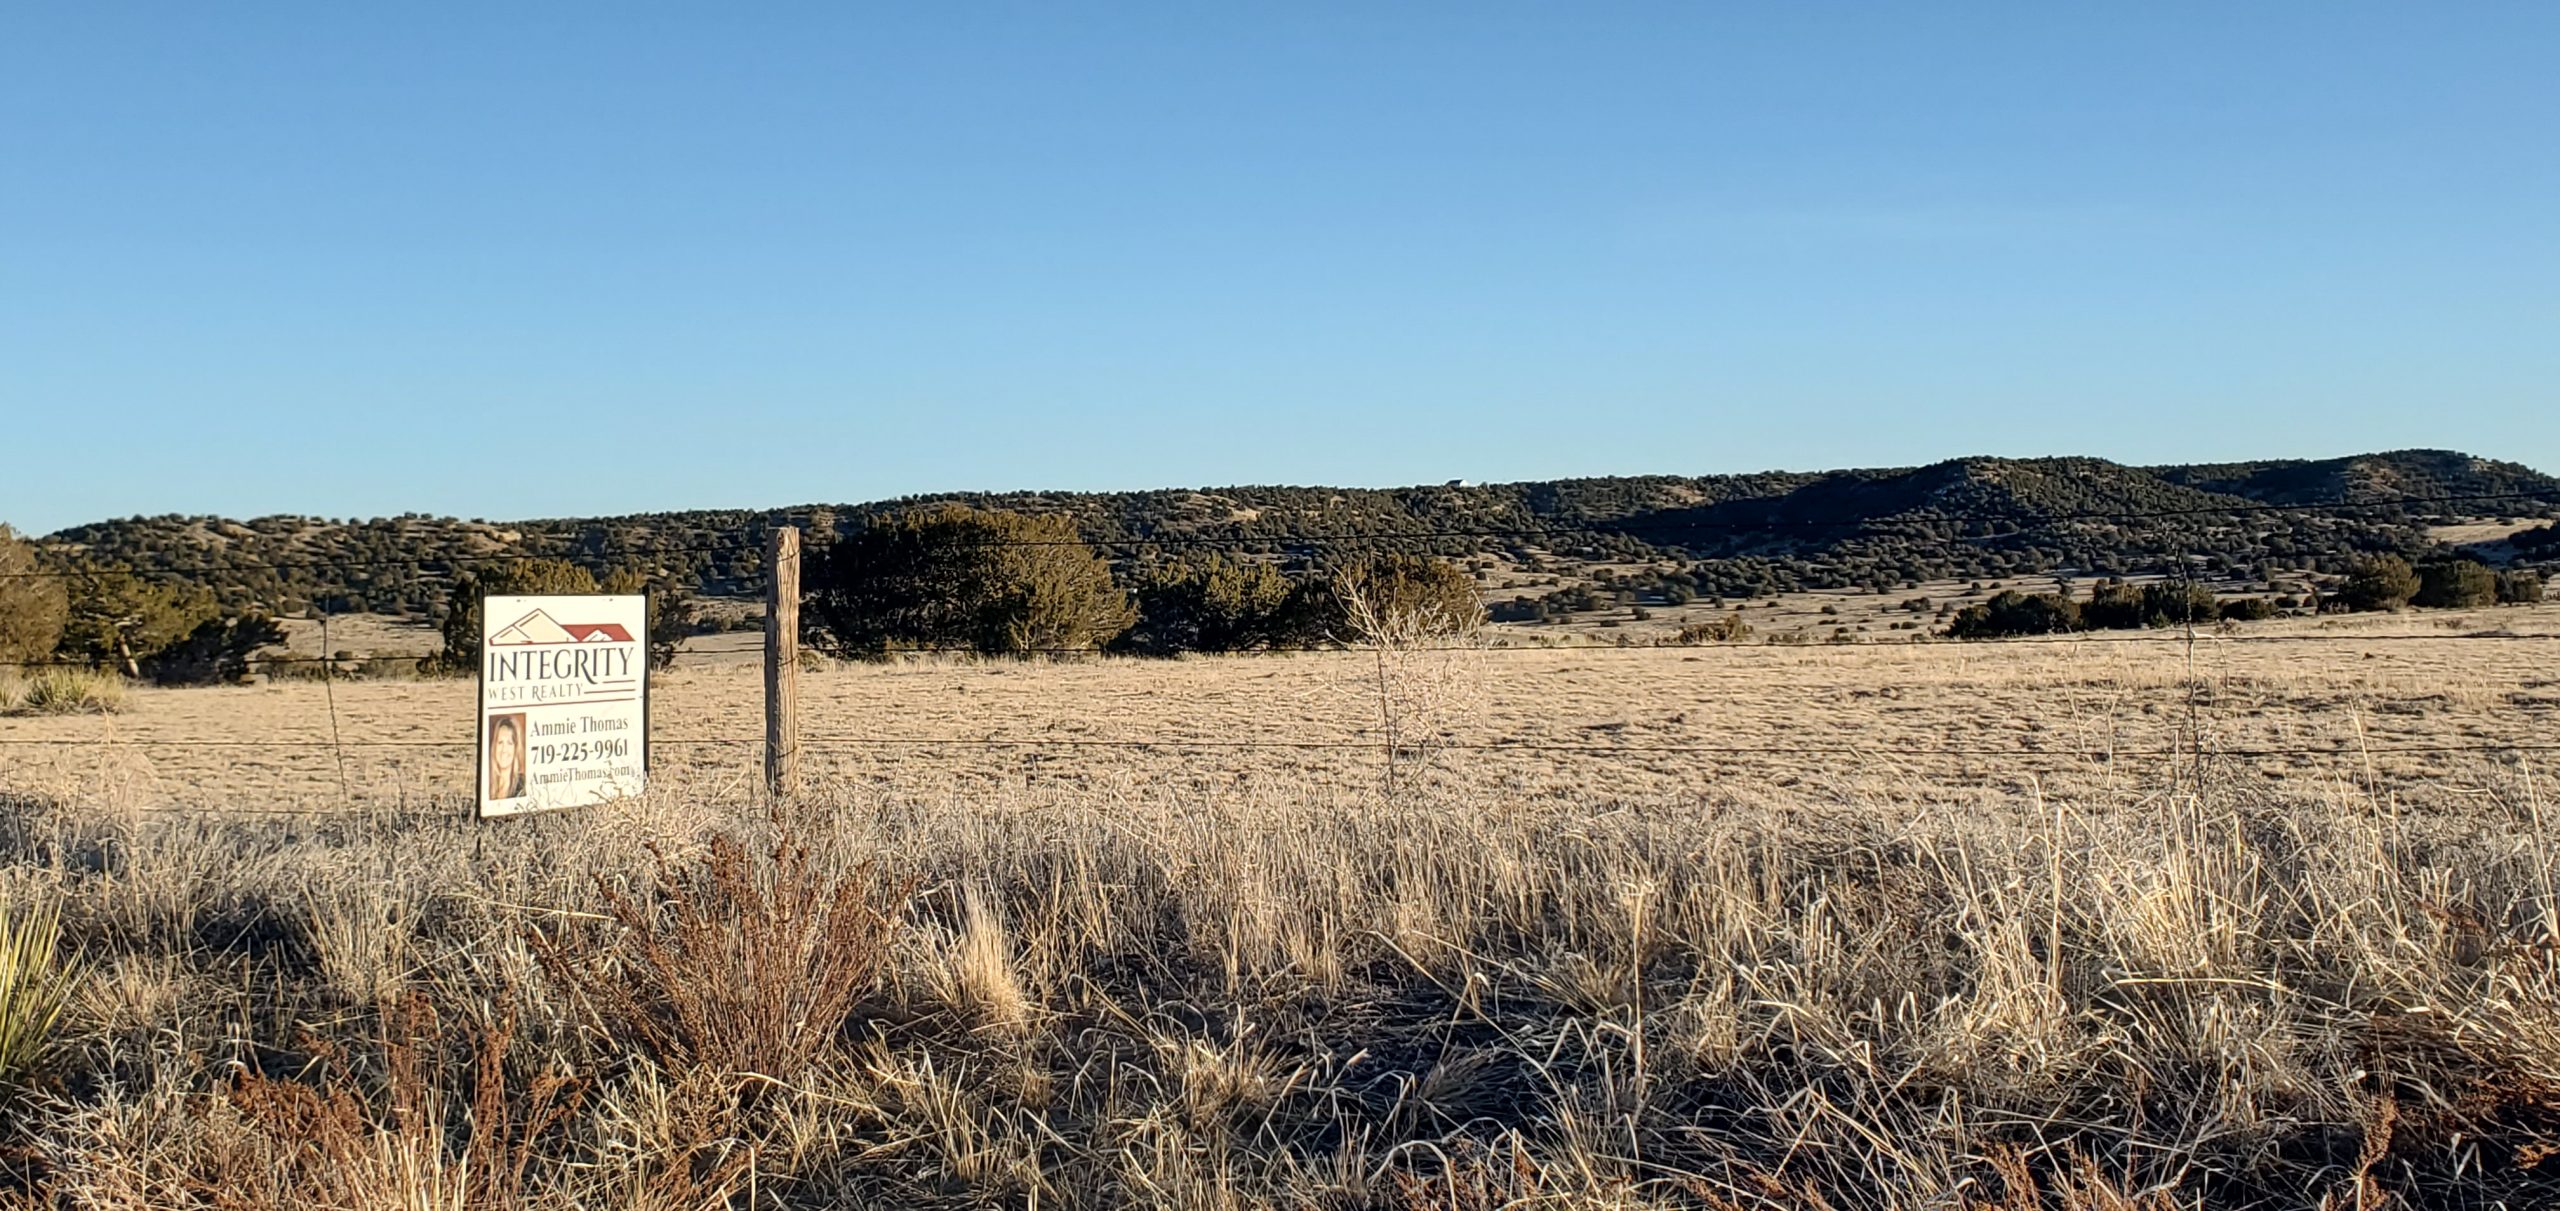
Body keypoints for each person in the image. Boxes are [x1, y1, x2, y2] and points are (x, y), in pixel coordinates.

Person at [486, 713, 527, 800]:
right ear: (494, 747)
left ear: (516, 749)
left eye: (510, 743)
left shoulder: (523, 787)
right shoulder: (486, 784)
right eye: (500, 742)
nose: (504, 750)